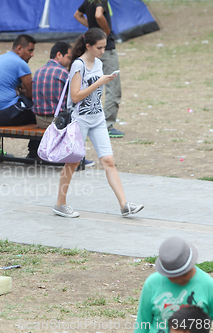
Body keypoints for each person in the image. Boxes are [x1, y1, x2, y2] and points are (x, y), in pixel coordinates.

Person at [53, 28, 143, 218]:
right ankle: (60, 204)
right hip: (80, 120)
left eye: (104, 47)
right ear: (88, 46)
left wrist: (101, 82)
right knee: (72, 162)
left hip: (98, 119)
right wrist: (99, 82)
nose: (102, 51)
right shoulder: (78, 65)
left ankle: (124, 205)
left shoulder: (99, 64)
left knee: (108, 161)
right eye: (99, 48)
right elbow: (75, 96)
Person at [135, 237, 213, 333]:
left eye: (183, 274)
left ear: (191, 265)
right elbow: (142, 323)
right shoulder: (152, 284)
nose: (179, 280)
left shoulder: (208, 285)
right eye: (172, 276)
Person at [30, 41, 94, 167]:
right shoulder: (64, 73)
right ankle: (76, 159)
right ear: (59, 55)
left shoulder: (38, 71)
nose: (70, 61)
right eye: (69, 57)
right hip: (57, 122)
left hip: (39, 120)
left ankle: (32, 152)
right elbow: (73, 100)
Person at [74, 0, 124, 138]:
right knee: (113, 87)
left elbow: (77, 15)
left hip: (93, 49)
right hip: (106, 50)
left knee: (89, 85)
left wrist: (92, 30)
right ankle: (106, 124)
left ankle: (88, 123)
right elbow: (98, 15)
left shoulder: (88, 1)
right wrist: (105, 32)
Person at [0, 34, 37, 156]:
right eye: (30, 50)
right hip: (4, 115)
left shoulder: (0, 58)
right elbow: (32, 94)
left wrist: (19, 91)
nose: (32, 54)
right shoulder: (20, 64)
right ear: (19, 49)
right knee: (40, 111)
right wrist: (21, 92)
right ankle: (34, 153)